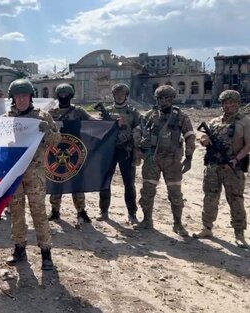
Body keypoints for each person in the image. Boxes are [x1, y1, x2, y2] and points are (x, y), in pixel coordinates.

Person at [4, 78, 61, 271]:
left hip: (35, 173)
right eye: (17, 96)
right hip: (14, 172)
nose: (21, 100)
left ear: (31, 97)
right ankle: (19, 248)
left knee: (39, 212)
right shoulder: (6, 118)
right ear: (12, 98)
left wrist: (47, 132)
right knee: (17, 212)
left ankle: (46, 252)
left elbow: (56, 141)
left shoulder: (42, 116)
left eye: (24, 96)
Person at [134, 85, 195, 237]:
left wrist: (188, 158)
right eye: (161, 98)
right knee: (147, 191)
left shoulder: (181, 116)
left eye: (167, 98)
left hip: (172, 160)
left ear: (173, 99)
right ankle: (147, 220)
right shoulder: (149, 115)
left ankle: (178, 223)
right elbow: (137, 131)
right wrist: (139, 149)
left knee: (175, 192)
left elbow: (190, 136)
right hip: (152, 159)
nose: (164, 101)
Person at [193, 90, 250, 247]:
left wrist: (236, 159)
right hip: (213, 166)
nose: (229, 105)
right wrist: (203, 140)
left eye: (232, 102)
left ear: (238, 104)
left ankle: (239, 234)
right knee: (210, 197)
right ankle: (207, 228)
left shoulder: (245, 122)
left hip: (233, 167)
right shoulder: (214, 122)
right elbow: (204, 139)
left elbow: (248, 146)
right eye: (225, 102)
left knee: (236, 200)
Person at [47, 83, 94, 224]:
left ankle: (81, 211)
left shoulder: (78, 111)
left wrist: (112, 123)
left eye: (66, 94)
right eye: (60, 94)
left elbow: (94, 122)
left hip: (75, 152)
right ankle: (55, 210)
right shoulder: (52, 112)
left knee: (77, 182)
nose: (63, 97)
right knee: (56, 180)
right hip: (55, 152)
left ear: (71, 95)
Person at [97, 83, 141, 225]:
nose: (119, 95)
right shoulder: (107, 111)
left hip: (126, 151)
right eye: (117, 93)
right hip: (109, 151)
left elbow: (141, 129)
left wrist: (126, 130)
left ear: (126, 95)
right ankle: (103, 211)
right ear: (113, 95)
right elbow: (99, 129)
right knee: (105, 181)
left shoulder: (133, 112)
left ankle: (132, 214)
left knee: (129, 183)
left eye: (122, 93)